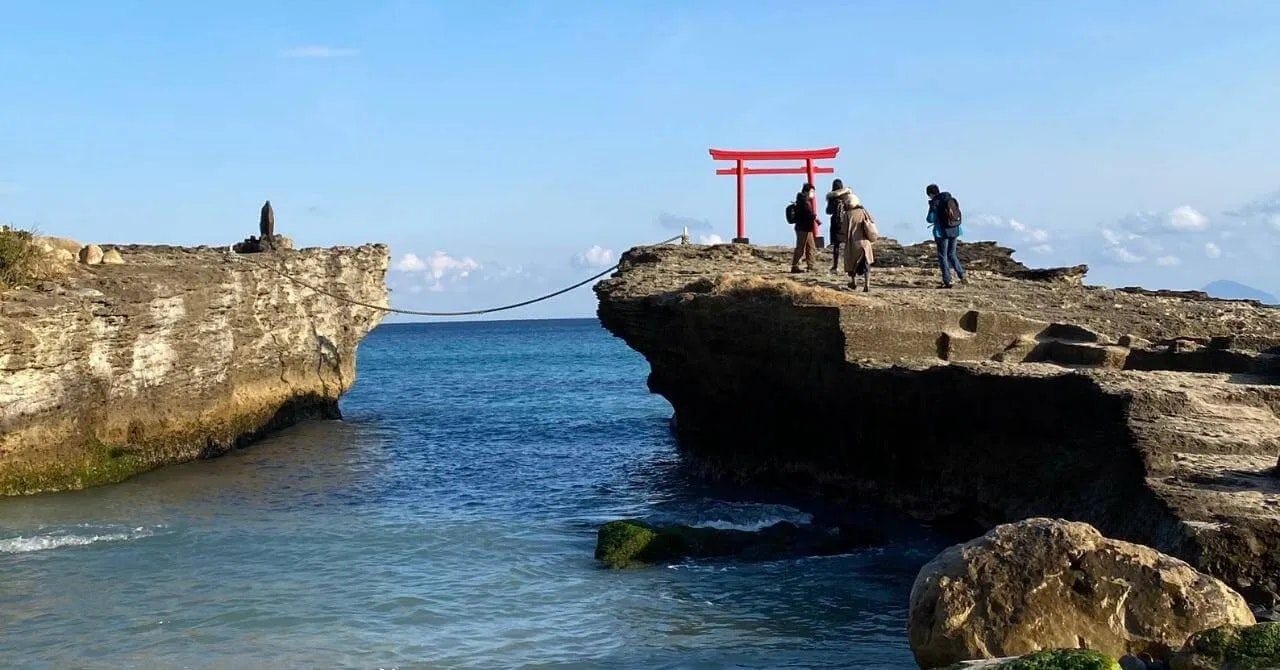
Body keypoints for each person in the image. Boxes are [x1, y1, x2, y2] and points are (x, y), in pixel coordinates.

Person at [927, 183, 967, 288]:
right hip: (955, 230)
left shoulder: (935, 203)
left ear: (930, 194)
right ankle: (962, 275)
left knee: (943, 256)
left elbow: (930, 219)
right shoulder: (949, 199)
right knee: (952, 254)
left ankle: (947, 280)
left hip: (942, 233)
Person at [844, 200, 877, 292]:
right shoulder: (863, 211)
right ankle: (867, 285)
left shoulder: (848, 214)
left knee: (852, 264)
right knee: (866, 266)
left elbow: (844, 230)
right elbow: (872, 221)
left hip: (853, 244)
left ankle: (854, 283)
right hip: (865, 244)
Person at [825, 179, 857, 273]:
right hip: (846, 221)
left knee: (836, 245)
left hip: (835, 222)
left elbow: (828, 211)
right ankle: (851, 265)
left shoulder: (832, 197)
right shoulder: (846, 196)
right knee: (848, 244)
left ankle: (835, 266)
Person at [790, 183, 819, 273]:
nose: (813, 194)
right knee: (801, 247)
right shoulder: (803, 200)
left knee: (811, 247)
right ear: (806, 191)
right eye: (812, 191)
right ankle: (795, 266)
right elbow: (807, 213)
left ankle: (811, 265)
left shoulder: (804, 200)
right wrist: (814, 216)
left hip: (806, 227)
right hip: (803, 228)